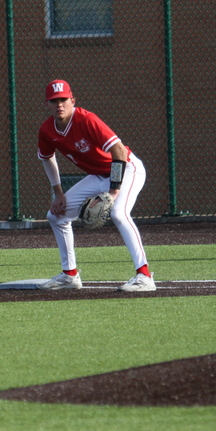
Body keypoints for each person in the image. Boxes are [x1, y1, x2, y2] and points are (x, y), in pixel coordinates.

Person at [35, 80, 156, 292]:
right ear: (47, 104)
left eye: (63, 99)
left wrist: (114, 190)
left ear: (72, 100)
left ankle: (144, 276)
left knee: (119, 213)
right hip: (99, 175)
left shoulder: (86, 119)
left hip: (127, 169)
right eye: (54, 101)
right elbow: (47, 157)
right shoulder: (46, 130)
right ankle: (70, 275)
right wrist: (58, 193)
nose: (59, 104)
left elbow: (118, 151)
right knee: (57, 215)